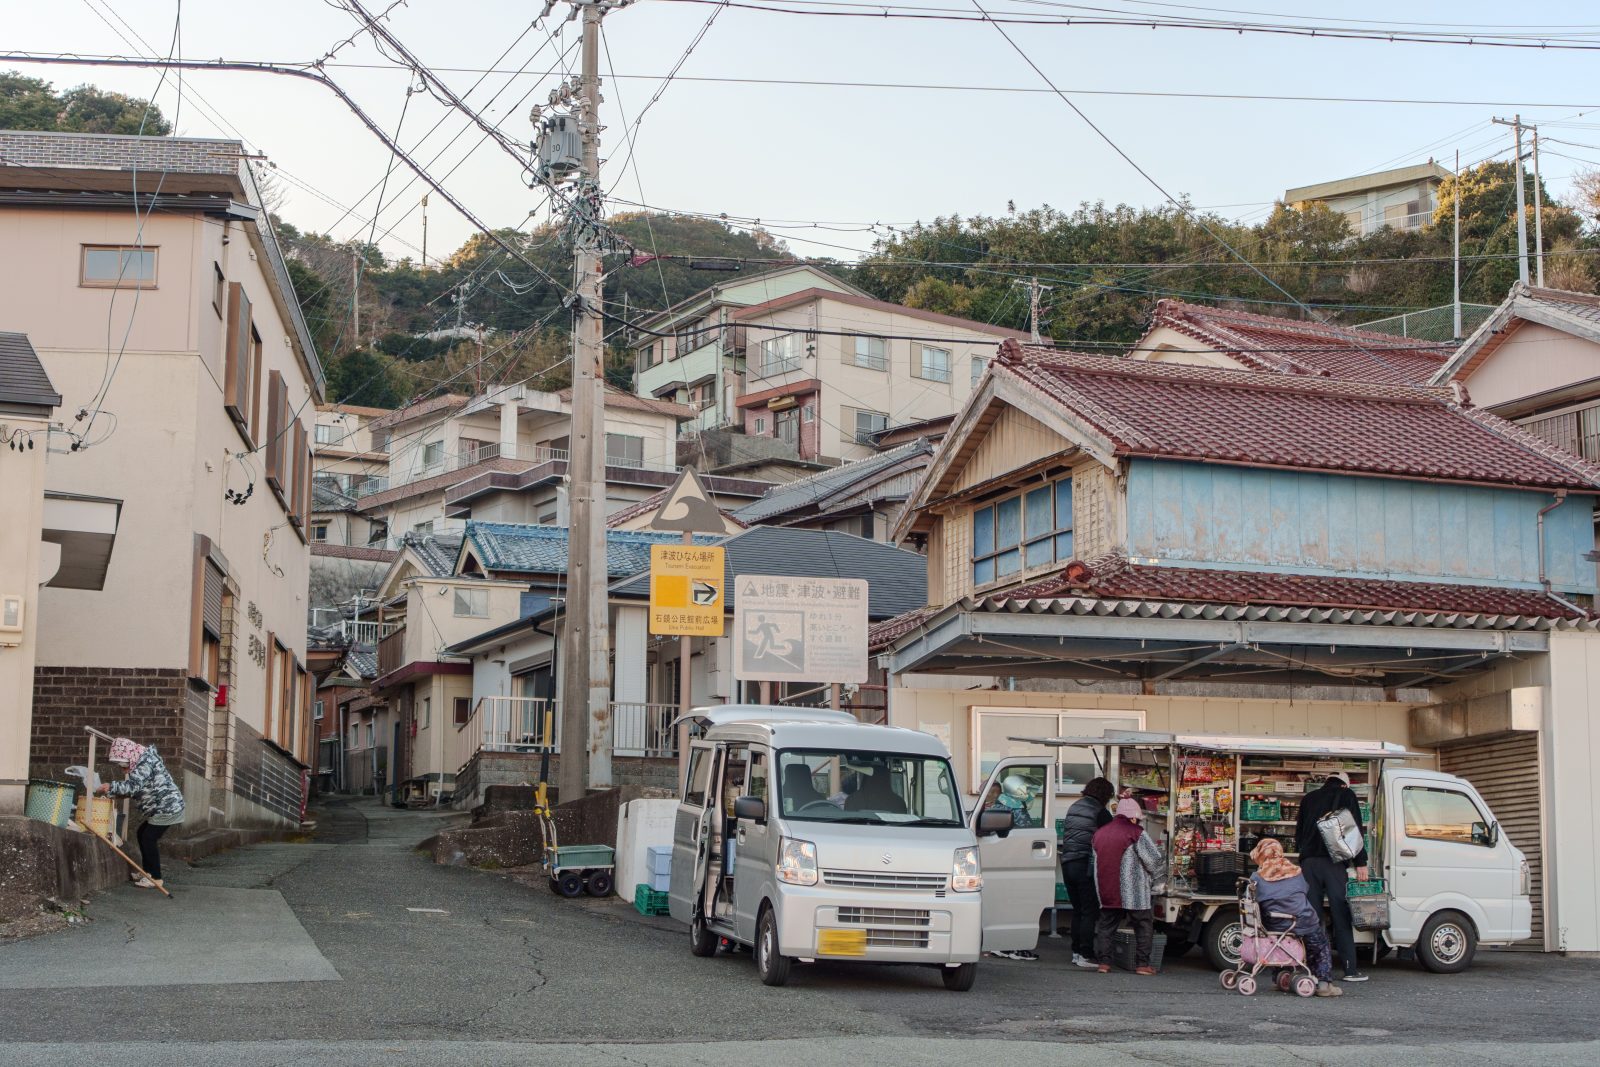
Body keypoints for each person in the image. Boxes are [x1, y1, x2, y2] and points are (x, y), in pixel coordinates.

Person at [1295, 771, 1369, 983]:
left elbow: (1298, 834)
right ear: (1344, 785)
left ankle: (1313, 968)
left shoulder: (1309, 798)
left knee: (1312, 917)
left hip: (1308, 863)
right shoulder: (1347, 796)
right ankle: (1349, 970)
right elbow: (1355, 831)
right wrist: (1360, 862)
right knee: (1340, 915)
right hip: (1334, 864)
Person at [1248, 838, 1342, 998]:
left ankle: (1281, 976)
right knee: (1320, 945)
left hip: (1273, 924)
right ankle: (1324, 984)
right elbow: (1304, 890)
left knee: (1279, 943)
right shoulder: (1296, 872)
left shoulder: (1257, 878)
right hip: (1303, 921)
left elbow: (1251, 899)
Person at [97, 736, 184, 890]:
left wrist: (110, 787)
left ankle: (155, 877)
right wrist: (112, 791)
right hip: (166, 806)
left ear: (129, 756)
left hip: (167, 807)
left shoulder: (144, 764)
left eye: (123, 765)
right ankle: (148, 872)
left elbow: (132, 787)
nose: (123, 769)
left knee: (148, 838)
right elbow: (134, 790)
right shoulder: (144, 760)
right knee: (142, 833)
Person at [1091, 798, 1165, 975]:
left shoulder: (1099, 833)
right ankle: (1142, 964)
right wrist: (1158, 879)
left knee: (1106, 926)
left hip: (1106, 887)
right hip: (1134, 891)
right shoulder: (1136, 832)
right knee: (1143, 925)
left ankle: (1104, 963)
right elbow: (1154, 860)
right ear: (1133, 818)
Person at [1060, 777, 1115, 970]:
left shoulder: (1075, 806)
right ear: (1105, 795)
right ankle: (1086, 953)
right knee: (1089, 910)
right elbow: (1110, 836)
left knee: (1077, 909)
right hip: (1085, 865)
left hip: (1067, 863)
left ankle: (1076, 952)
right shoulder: (1100, 812)